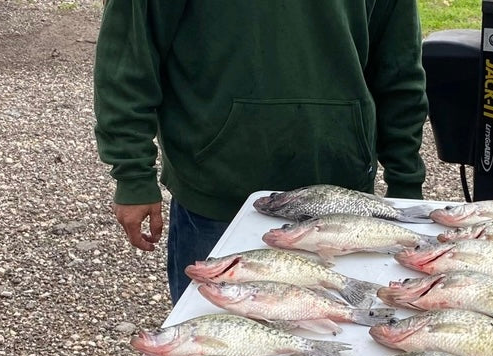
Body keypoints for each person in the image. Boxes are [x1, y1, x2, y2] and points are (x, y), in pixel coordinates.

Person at [93, 0, 428, 304]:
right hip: (217, 195)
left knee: (342, 332)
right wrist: (133, 174)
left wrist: (406, 181)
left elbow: (398, 68)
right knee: (218, 337)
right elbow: (129, 54)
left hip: (342, 196)